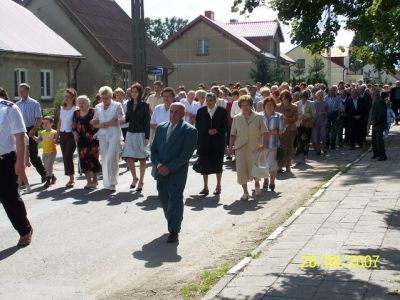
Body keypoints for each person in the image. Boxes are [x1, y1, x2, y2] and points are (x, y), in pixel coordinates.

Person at [151, 103, 197, 243]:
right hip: (161, 170)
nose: (173, 114)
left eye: (177, 112)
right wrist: (159, 165)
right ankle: (172, 222)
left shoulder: (190, 131)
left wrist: (169, 168)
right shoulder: (161, 128)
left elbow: (185, 155)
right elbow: (154, 150)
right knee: (164, 198)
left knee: (175, 200)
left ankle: (174, 230)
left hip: (177, 172)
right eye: (171, 111)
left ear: (183, 114)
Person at [0, 90, 33, 247]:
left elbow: (20, 136)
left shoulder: (9, 108)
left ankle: (24, 231)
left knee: (9, 198)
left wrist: (20, 162)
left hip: (5, 160)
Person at [228, 95, 268, 201]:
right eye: (242, 105)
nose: (245, 107)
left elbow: (265, 132)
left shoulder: (258, 117)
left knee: (255, 167)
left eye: (247, 105)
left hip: (254, 147)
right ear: (240, 106)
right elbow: (232, 134)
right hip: (240, 147)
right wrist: (230, 148)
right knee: (241, 170)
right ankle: (245, 192)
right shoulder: (236, 118)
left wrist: (263, 144)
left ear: (251, 105)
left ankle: (257, 183)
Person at [91, 86, 125, 192]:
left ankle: (113, 182)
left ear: (111, 97)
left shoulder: (117, 105)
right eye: (103, 98)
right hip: (102, 135)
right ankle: (107, 182)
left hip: (114, 134)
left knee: (111, 158)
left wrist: (110, 123)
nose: (105, 100)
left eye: (107, 98)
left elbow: (122, 120)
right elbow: (94, 121)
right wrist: (98, 125)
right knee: (105, 159)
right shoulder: (98, 107)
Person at [195, 92, 229, 195]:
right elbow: (197, 127)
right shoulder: (201, 111)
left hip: (218, 142)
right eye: (207, 100)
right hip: (204, 142)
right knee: (204, 165)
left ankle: (218, 186)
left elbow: (226, 126)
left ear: (215, 101)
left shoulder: (222, 111)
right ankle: (205, 187)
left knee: (218, 164)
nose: (209, 102)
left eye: (211, 100)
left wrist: (217, 130)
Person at [16, 83, 46, 182]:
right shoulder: (17, 105)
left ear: (27, 91)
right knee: (20, 155)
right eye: (19, 91)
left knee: (33, 156)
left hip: (31, 129)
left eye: (23, 91)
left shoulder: (34, 103)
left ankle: (45, 174)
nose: (21, 93)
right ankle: (22, 180)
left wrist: (34, 129)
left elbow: (39, 118)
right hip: (21, 130)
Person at [123, 83, 150, 192]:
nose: (133, 93)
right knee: (129, 157)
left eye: (136, 91)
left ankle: (141, 181)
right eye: (132, 91)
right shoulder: (128, 104)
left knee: (142, 158)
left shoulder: (144, 105)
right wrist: (118, 119)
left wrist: (147, 136)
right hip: (130, 132)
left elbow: (147, 121)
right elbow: (127, 118)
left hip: (141, 133)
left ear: (140, 93)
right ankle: (134, 178)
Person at [72, 95, 101, 189]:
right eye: (79, 103)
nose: (81, 104)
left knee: (93, 159)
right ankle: (88, 181)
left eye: (83, 102)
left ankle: (95, 180)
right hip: (81, 140)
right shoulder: (76, 113)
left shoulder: (94, 112)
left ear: (88, 103)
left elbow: (99, 123)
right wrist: (75, 133)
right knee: (84, 160)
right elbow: (74, 126)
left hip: (93, 139)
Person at [56, 88, 78, 188]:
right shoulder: (62, 108)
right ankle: (70, 175)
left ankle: (71, 179)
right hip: (63, 134)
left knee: (68, 155)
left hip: (71, 134)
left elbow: (76, 123)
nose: (66, 99)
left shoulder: (75, 109)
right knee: (65, 156)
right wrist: (57, 134)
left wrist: (76, 133)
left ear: (73, 98)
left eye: (68, 97)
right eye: (65, 97)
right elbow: (60, 122)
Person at [262, 97, 285, 191]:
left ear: (274, 106)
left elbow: (282, 130)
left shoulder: (279, 116)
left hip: (273, 144)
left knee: (272, 164)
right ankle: (265, 180)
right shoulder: (259, 116)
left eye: (271, 105)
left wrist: (271, 132)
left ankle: (272, 182)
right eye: (267, 105)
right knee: (263, 164)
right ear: (264, 106)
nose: (269, 106)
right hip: (261, 144)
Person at [276, 90, 298, 172]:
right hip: (281, 130)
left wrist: (287, 120)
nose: (284, 99)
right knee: (282, 148)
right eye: (283, 98)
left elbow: (296, 118)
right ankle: (280, 165)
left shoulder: (294, 106)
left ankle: (288, 165)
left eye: (286, 98)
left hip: (291, 130)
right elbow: (276, 117)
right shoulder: (277, 106)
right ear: (280, 98)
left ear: (289, 98)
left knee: (290, 147)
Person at [33, 117, 58, 188]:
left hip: (52, 152)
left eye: (47, 123)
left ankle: (48, 181)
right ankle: (53, 177)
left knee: (49, 166)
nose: (45, 124)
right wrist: (32, 136)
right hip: (45, 152)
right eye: (44, 123)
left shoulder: (54, 132)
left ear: (51, 123)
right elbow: (39, 140)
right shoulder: (42, 132)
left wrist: (56, 140)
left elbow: (57, 141)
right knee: (46, 167)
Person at [296, 91, 316, 163]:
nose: (303, 98)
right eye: (302, 97)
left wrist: (306, 116)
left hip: (307, 124)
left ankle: (305, 155)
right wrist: (300, 116)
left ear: (307, 97)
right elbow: (295, 113)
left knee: (306, 140)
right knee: (300, 140)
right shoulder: (297, 104)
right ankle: (301, 154)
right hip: (299, 124)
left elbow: (313, 114)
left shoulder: (311, 103)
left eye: (304, 97)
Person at [370, 88, 387, 161]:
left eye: (372, 93)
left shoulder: (380, 101)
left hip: (379, 124)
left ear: (375, 93)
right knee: (374, 139)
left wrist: (376, 121)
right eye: (371, 93)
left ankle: (382, 155)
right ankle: (376, 153)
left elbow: (381, 113)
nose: (371, 95)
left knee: (379, 140)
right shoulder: (374, 99)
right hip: (375, 123)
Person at [312, 90, 329, 155]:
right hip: (316, 121)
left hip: (323, 120)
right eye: (319, 95)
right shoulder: (313, 103)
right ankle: (318, 150)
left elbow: (328, 112)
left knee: (323, 135)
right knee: (316, 136)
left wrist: (324, 113)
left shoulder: (325, 103)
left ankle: (324, 149)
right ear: (316, 96)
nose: (320, 96)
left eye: (321, 95)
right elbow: (312, 112)